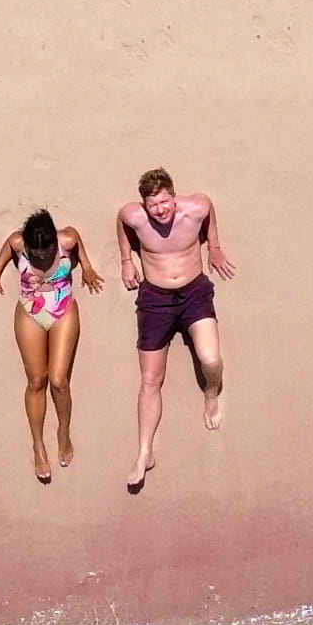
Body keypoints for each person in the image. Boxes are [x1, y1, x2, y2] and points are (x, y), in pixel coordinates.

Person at [117, 166, 236, 493]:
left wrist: (213, 245)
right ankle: (144, 452)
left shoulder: (195, 208)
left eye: (165, 202)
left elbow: (209, 210)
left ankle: (211, 395)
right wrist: (127, 258)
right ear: (144, 204)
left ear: (174, 195)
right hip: (155, 299)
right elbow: (122, 221)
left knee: (211, 360)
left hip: (194, 293)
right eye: (153, 205)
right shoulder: (135, 217)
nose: (161, 210)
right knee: (150, 379)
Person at [0, 208, 104, 483]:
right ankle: (38, 445)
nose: (44, 257)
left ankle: (63, 431)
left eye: (47, 251)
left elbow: (78, 243)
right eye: (38, 253)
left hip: (63, 311)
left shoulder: (66, 240)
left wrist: (88, 267)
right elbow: (7, 248)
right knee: (37, 380)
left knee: (58, 380)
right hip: (30, 312)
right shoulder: (19, 243)